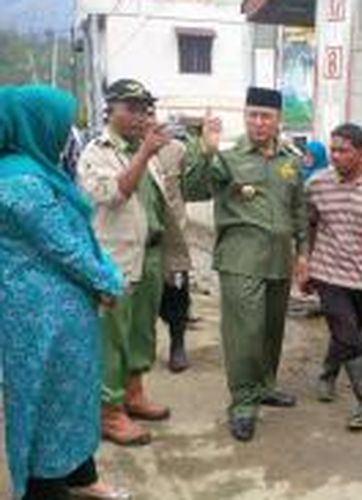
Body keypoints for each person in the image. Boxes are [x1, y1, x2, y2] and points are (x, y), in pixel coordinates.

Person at [0, 86, 129, 499]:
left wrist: (101, 277)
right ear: (36, 125)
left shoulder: (34, 169)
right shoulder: (21, 182)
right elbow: (64, 246)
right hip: (40, 320)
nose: (67, 133)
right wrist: (109, 281)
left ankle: (81, 477)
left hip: (62, 315)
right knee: (47, 403)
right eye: (60, 124)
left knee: (72, 398)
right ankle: (46, 487)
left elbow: (76, 236)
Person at [182, 86, 307, 442]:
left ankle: (265, 386)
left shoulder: (290, 160)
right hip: (241, 258)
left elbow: (299, 209)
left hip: (279, 260)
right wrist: (203, 150)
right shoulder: (227, 159)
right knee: (245, 333)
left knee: (270, 330)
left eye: (265, 116)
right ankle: (242, 403)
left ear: (278, 119)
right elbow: (192, 190)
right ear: (245, 116)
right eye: (252, 114)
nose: (258, 122)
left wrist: (304, 254)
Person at [78, 79, 172, 446]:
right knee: (112, 339)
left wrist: (150, 150)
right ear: (110, 111)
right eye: (129, 108)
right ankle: (109, 413)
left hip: (148, 255)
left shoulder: (145, 150)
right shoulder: (96, 152)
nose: (138, 116)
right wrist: (145, 153)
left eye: (144, 109)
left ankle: (133, 394)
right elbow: (115, 194)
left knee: (140, 333)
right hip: (114, 258)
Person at [304, 123, 362, 430]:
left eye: (343, 150)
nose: (335, 156)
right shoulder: (317, 184)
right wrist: (304, 263)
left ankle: (328, 374)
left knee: (345, 331)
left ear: (360, 154)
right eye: (332, 149)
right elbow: (308, 225)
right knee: (348, 333)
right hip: (327, 272)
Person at [148, 110, 193, 373]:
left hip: (172, 239)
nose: (147, 119)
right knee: (141, 297)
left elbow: (190, 187)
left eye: (150, 113)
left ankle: (178, 345)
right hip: (139, 239)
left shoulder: (176, 150)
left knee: (177, 294)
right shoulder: (121, 153)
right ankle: (141, 350)